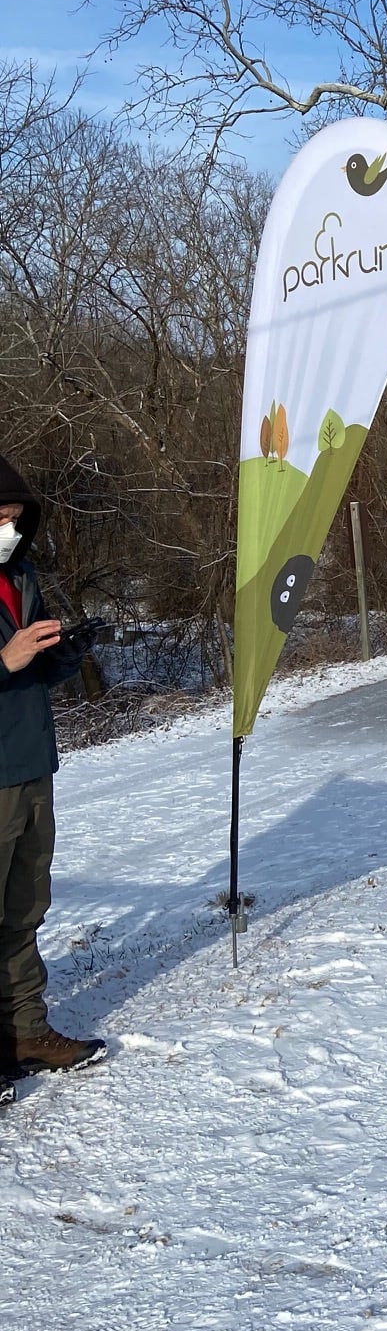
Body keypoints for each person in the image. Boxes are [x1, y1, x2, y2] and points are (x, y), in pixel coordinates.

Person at [0, 459, 106, 1087]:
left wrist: (63, 656)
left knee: (23, 909)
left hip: (32, 762)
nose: (7, 530)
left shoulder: (21, 574)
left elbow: (29, 673)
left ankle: (25, 1033)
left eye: (14, 520)